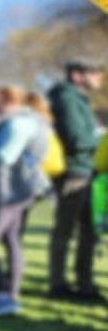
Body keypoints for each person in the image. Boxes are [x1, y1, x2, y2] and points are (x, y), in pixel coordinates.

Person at [0, 86, 50, 317]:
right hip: (21, 190)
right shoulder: (31, 121)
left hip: (9, 192)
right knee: (11, 239)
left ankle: (4, 295)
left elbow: (5, 156)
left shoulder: (17, 123)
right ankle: (11, 294)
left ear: (7, 101)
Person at [46, 60, 104, 302]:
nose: (100, 79)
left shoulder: (79, 99)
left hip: (88, 170)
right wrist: (101, 141)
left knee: (90, 230)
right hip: (73, 172)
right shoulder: (66, 99)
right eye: (96, 74)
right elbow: (76, 138)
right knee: (65, 229)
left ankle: (85, 283)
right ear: (77, 74)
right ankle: (58, 284)